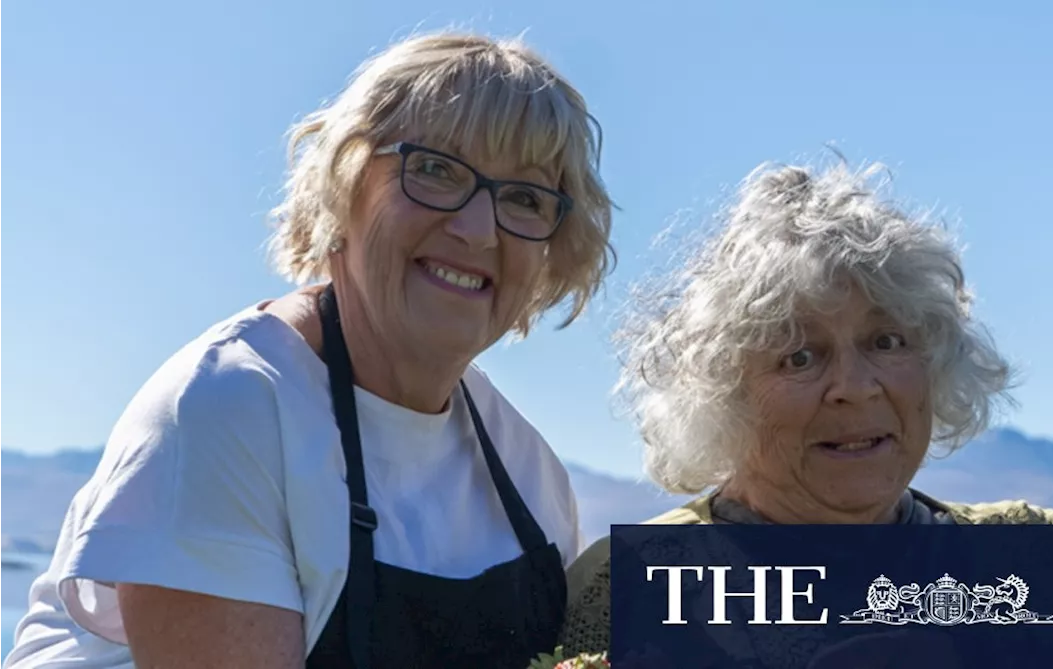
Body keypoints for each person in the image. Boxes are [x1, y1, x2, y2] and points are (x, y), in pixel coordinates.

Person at [4, 30, 614, 669]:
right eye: (435, 169)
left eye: (524, 197)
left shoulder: (530, 474)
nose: (477, 228)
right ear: (343, 184)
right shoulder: (232, 406)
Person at [556, 157, 1053, 663]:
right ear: (722, 393)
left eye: (886, 342)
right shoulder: (625, 587)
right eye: (799, 356)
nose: (856, 387)